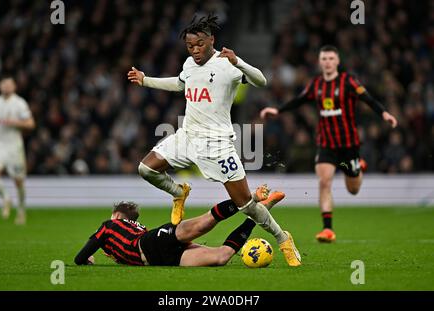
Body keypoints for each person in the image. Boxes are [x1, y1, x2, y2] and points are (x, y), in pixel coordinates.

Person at [127, 14, 301, 266]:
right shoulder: (189, 64)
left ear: (212, 40)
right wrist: (146, 80)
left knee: (247, 206)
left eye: (199, 44)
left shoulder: (226, 65)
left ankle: (282, 237)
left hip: (218, 144)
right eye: (190, 46)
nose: (194, 50)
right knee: (145, 168)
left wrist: (238, 61)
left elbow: (261, 81)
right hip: (187, 136)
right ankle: (178, 192)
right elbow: (179, 84)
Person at [260, 45, 398, 243]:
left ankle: (358, 168)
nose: (327, 62)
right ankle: (327, 229)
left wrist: (384, 113)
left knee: (353, 189)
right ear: (320, 62)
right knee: (324, 182)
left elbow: (367, 98)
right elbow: (299, 100)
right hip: (326, 143)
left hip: (349, 144)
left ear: (337, 61)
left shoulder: (348, 81)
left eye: (331, 58)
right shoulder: (316, 84)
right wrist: (278, 111)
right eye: (324, 58)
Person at [75, 187, 285, 267]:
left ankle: (251, 198)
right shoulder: (133, 229)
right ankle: (257, 213)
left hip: (152, 243)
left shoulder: (109, 226)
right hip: (160, 257)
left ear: (116, 216)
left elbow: (80, 256)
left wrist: (86, 259)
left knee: (203, 224)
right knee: (221, 258)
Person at [0, 77, 36, 225]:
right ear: (0, 86)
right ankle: (6, 198)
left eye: (9, 84)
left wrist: (15, 122)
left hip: (14, 146)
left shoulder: (19, 103)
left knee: (18, 181)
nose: (6, 86)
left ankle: (21, 210)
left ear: (14, 87)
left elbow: (31, 123)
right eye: (4, 84)